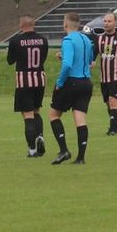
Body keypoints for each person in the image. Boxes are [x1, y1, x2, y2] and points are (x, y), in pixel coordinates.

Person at [48, 12, 95, 165]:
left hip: (71, 82)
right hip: (86, 83)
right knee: (80, 119)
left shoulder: (68, 40)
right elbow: (89, 62)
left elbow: (67, 65)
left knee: (54, 115)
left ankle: (64, 150)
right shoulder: (86, 39)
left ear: (65, 24)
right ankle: (81, 158)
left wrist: (59, 82)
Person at [5, 14, 49, 157]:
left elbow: (10, 61)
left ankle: (32, 150)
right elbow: (43, 58)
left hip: (24, 81)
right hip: (39, 80)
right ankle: (40, 136)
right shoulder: (43, 40)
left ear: (21, 26)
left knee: (27, 114)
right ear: (33, 25)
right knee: (36, 111)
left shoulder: (16, 41)